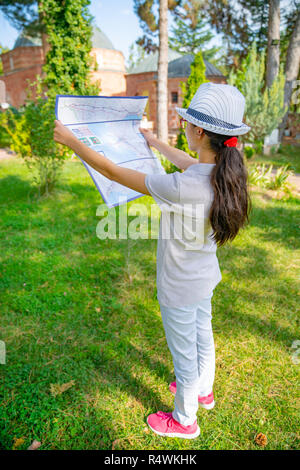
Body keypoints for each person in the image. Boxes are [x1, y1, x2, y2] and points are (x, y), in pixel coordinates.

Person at [54, 82, 252, 440]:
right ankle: (203, 392)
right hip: (204, 278)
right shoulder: (220, 174)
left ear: (198, 131)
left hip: (178, 287)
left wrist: (73, 142)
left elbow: (115, 173)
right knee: (202, 335)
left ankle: (185, 420)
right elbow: (185, 160)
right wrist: (154, 142)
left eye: (187, 125)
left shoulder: (183, 187)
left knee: (183, 354)